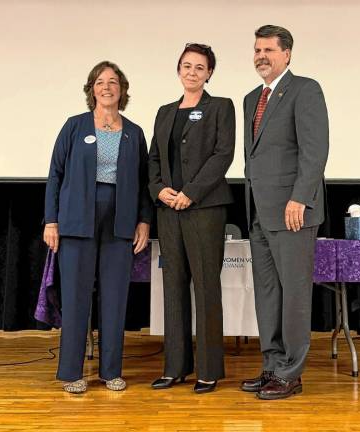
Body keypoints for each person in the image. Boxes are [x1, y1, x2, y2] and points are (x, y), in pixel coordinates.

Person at [43, 60, 152, 393]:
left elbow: (145, 181)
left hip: (119, 224)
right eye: (100, 82)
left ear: (123, 90)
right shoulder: (74, 127)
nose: (107, 87)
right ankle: (72, 373)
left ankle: (110, 371)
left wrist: (144, 221)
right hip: (76, 222)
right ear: (91, 90)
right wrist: (51, 220)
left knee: (115, 299)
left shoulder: (134, 132)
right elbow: (55, 175)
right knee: (76, 299)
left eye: (114, 82)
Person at [241, 25, 329, 400]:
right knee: (267, 295)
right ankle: (273, 366)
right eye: (257, 50)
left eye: (269, 50)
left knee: (293, 295)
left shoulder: (305, 89)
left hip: (293, 212)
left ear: (287, 54)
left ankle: (291, 373)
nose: (261, 56)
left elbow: (315, 150)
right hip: (260, 212)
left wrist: (300, 198)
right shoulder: (250, 99)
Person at [148, 43, 235, 394]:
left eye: (200, 67)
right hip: (169, 211)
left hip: (204, 209)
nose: (192, 72)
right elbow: (153, 159)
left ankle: (208, 370)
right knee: (173, 288)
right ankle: (175, 368)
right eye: (187, 66)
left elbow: (223, 154)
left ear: (209, 73)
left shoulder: (220, 107)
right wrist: (159, 191)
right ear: (178, 70)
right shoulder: (165, 111)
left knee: (206, 288)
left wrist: (191, 192)